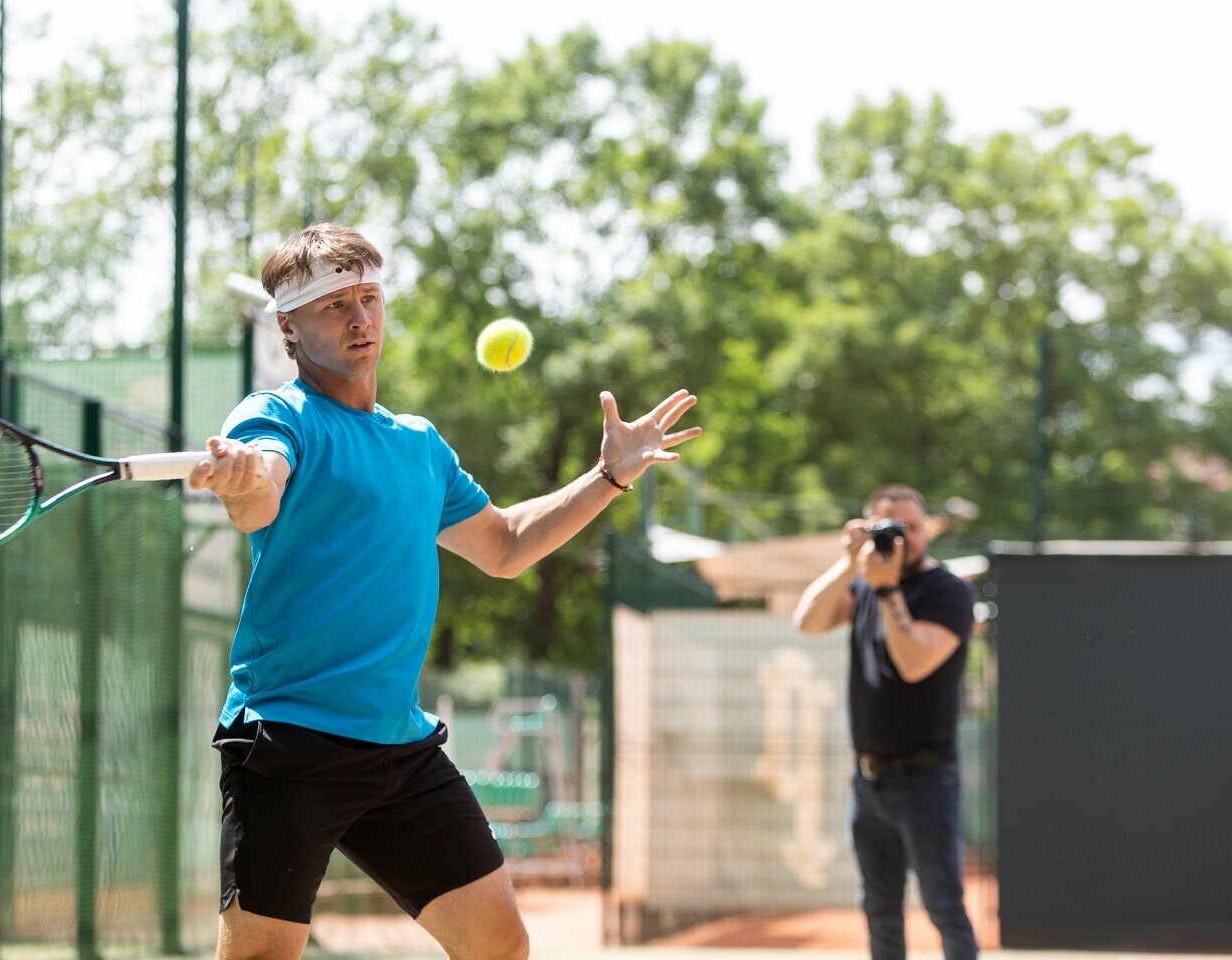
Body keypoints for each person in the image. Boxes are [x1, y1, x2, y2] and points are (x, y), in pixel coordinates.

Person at [188, 222, 701, 960]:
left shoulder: (419, 445)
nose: (360, 317)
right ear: (289, 327)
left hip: (398, 749)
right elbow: (262, 491)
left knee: (499, 946)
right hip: (291, 741)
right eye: (335, 305)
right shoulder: (276, 418)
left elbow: (506, 546)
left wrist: (609, 476)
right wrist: (243, 482)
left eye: (368, 297)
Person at [792, 484, 977, 960]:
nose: (903, 538)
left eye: (912, 527)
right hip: (868, 781)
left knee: (943, 907)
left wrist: (888, 588)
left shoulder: (948, 591)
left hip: (927, 777)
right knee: (879, 909)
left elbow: (914, 662)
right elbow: (807, 622)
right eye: (889, 527)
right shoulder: (864, 582)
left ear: (928, 530)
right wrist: (848, 562)